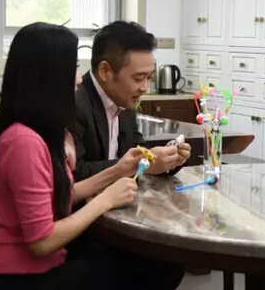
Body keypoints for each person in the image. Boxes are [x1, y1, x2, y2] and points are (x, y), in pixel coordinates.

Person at [0, 22, 153, 290]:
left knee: (134, 269)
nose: (79, 78)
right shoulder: (25, 142)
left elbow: (61, 194)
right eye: (72, 69)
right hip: (11, 289)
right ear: (47, 78)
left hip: (26, 275)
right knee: (135, 280)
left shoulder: (34, 134)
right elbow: (42, 241)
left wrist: (118, 170)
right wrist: (105, 200)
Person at [71, 20, 191, 183]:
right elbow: (74, 174)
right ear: (105, 71)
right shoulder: (74, 104)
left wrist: (168, 159)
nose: (145, 88)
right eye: (139, 78)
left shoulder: (124, 100)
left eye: (150, 78)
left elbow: (138, 149)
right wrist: (142, 164)